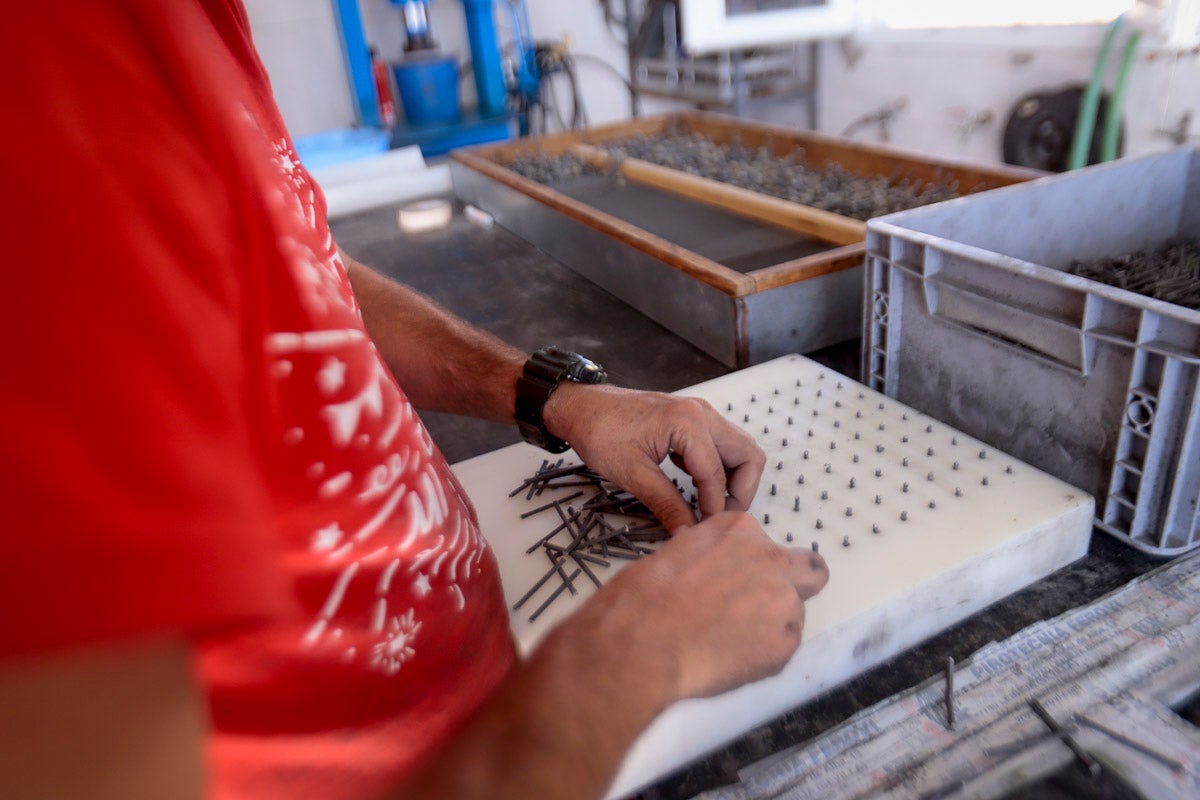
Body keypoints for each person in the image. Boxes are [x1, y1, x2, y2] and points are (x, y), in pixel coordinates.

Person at [0, 2, 829, 799]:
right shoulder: (43, 61)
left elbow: (300, 271)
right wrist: (638, 651)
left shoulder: (189, 24)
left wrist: (555, 397)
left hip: (480, 716)